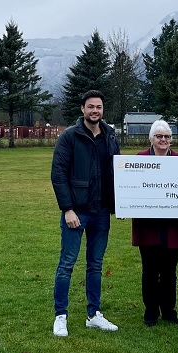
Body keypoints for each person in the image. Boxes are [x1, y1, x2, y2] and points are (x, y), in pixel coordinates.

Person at [50, 90, 120, 337]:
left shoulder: (110, 136)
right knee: (67, 264)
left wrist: (119, 204)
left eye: (99, 107)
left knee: (95, 265)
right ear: (82, 109)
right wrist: (67, 209)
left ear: (103, 110)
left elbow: (118, 173)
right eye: (91, 107)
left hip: (101, 212)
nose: (95, 111)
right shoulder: (69, 137)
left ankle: (94, 314)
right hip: (76, 212)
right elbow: (58, 175)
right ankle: (61, 316)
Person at [132, 120, 178, 326]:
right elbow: (131, 189)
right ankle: (151, 311)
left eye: (166, 137)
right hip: (148, 226)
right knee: (150, 269)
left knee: (169, 271)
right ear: (151, 139)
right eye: (159, 136)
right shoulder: (140, 159)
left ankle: (169, 310)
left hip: (172, 226)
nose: (163, 140)